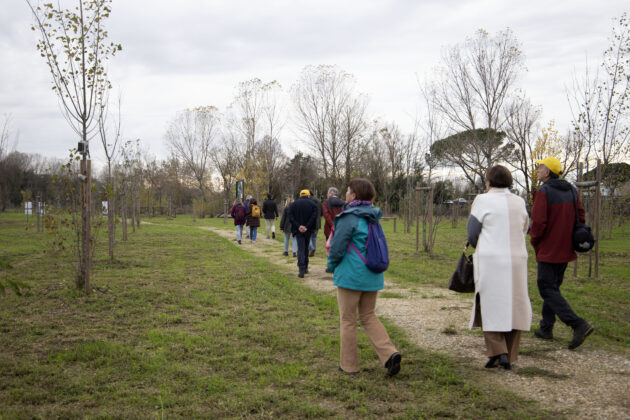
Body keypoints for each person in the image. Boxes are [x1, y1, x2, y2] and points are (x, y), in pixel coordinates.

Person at [327, 178, 401, 376]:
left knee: (348, 320)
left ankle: (349, 366)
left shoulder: (348, 217)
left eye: (348, 192)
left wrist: (331, 266)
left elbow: (336, 248)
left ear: (354, 195)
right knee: (368, 316)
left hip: (351, 276)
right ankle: (389, 353)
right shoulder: (374, 217)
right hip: (372, 275)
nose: (346, 195)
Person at [467, 166, 531, 370]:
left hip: (491, 259)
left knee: (490, 304)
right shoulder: (519, 201)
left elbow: (472, 232)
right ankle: (508, 355)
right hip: (517, 259)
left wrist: (484, 244)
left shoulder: (482, 200)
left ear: (489, 182)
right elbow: (525, 227)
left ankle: (498, 351)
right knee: (515, 305)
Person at [530, 156, 593, 350]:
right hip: (566, 247)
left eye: (540, 167)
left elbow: (538, 223)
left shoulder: (544, 192)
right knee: (553, 287)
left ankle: (577, 324)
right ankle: (546, 328)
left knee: (546, 288)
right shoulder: (572, 190)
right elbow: (581, 216)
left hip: (549, 248)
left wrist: (535, 241)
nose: (538, 170)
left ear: (547, 172)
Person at [288, 189, 318, 278]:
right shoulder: (313, 205)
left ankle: (301, 269)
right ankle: (305, 267)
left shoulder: (293, 204)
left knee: (300, 248)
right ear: (308, 195)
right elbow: (314, 217)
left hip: (298, 230)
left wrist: (298, 226)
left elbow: (290, 217)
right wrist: (306, 226)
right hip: (308, 230)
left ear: (300, 195)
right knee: (306, 247)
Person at [308, 191, 323, 257]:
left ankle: (311, 248)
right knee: (314, 237)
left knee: (308, 236)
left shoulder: (309, 201)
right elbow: (322, 212)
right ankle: (313, 252)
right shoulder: (319, 201)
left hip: (311, 221)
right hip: (318, 222)